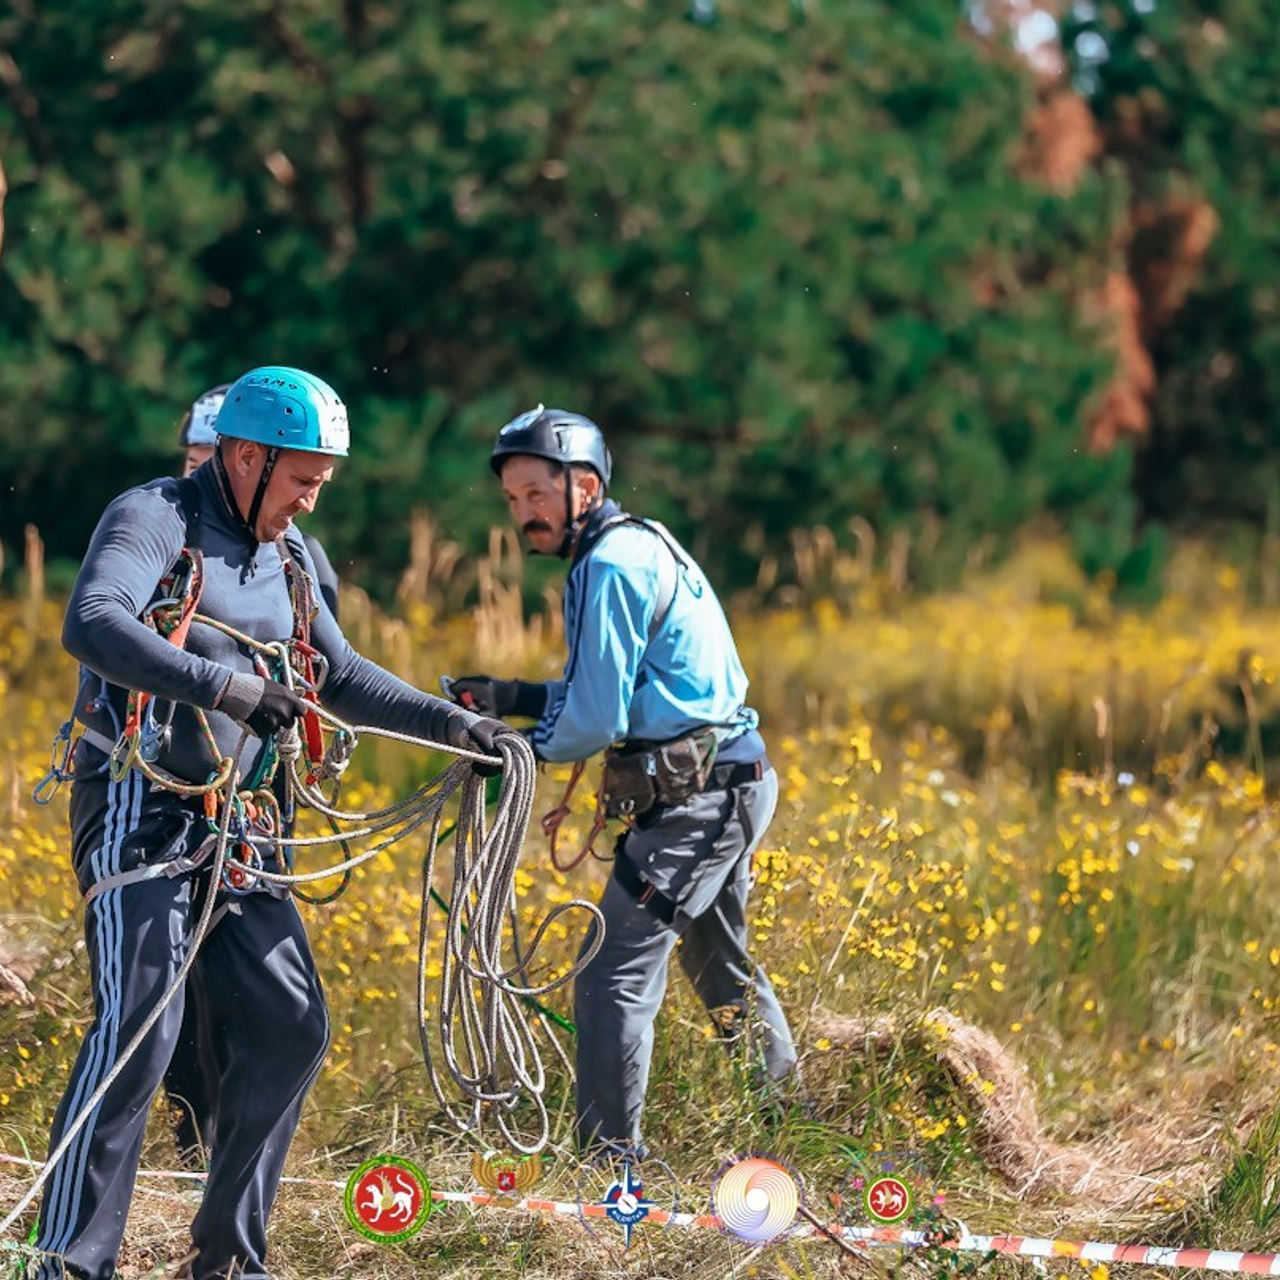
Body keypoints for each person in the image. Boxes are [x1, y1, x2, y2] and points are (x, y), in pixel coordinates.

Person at [32, 366, 509, 1280]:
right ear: (246, 456)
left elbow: (345, 675)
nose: (308, 503)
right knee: (142, 1032)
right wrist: (227, 686)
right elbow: (92, 621)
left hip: (238, 829)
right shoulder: (156, 518)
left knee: (292, 1021)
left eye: (319, 486)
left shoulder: (285, 560)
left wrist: (458, 727)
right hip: (142, 814)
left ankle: (227, 1260)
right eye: (301, 482)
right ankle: (66, 1263)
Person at [447, 406, 798, 1155]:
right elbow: (628, 696)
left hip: (700, 798)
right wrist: (512, 697)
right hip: (727, 779)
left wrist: (512, 747)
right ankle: (789, 1126)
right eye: (513, 502)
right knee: (718, 964)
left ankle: (610, 1170)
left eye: (537, 495)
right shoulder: (632, 544)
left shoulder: (607, 564)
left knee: (609, 977)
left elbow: (597, 719)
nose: (524, 515)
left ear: (585, 484)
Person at [179, 383, 341, 619]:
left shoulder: (301, 557)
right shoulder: (160, 532)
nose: (203, 480)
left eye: (215, 465)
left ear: (247, 462)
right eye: (194, 466)